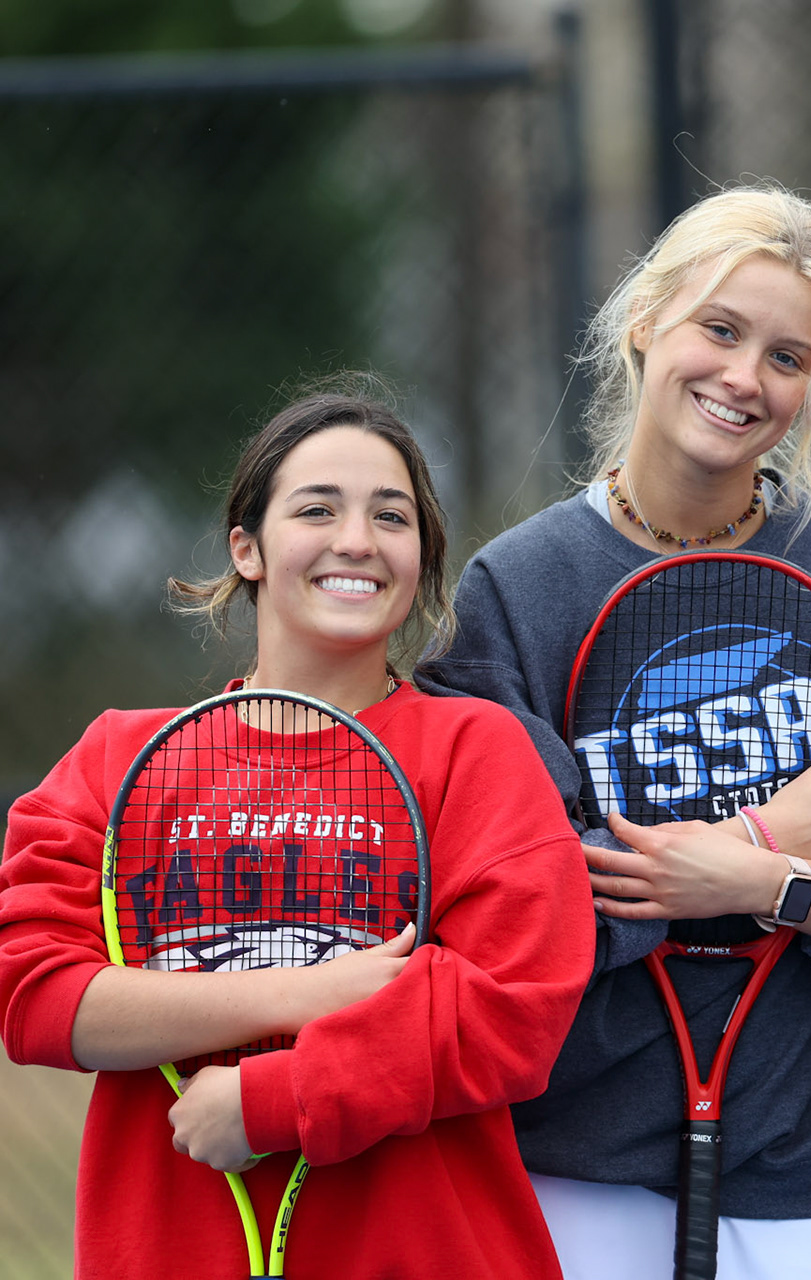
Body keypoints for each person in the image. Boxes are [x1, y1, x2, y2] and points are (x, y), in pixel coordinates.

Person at [415, 184, 811, 1280]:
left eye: (789, 356)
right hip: (574, 1164)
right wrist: (771, 841)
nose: (745, 377)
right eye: (720, 329)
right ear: (643, 323)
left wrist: (754, 881)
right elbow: (508, 922)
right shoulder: (517, 591)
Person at [0, 387, 597, 1278]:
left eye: (391, 516)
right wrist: (305, 993)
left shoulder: (475, 750)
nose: (356, 539)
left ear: (421, 556)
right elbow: (36, 994)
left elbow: (512, 1007)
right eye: (318, 508)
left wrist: (278, 1097)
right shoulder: (119, 757)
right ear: (248, 547)